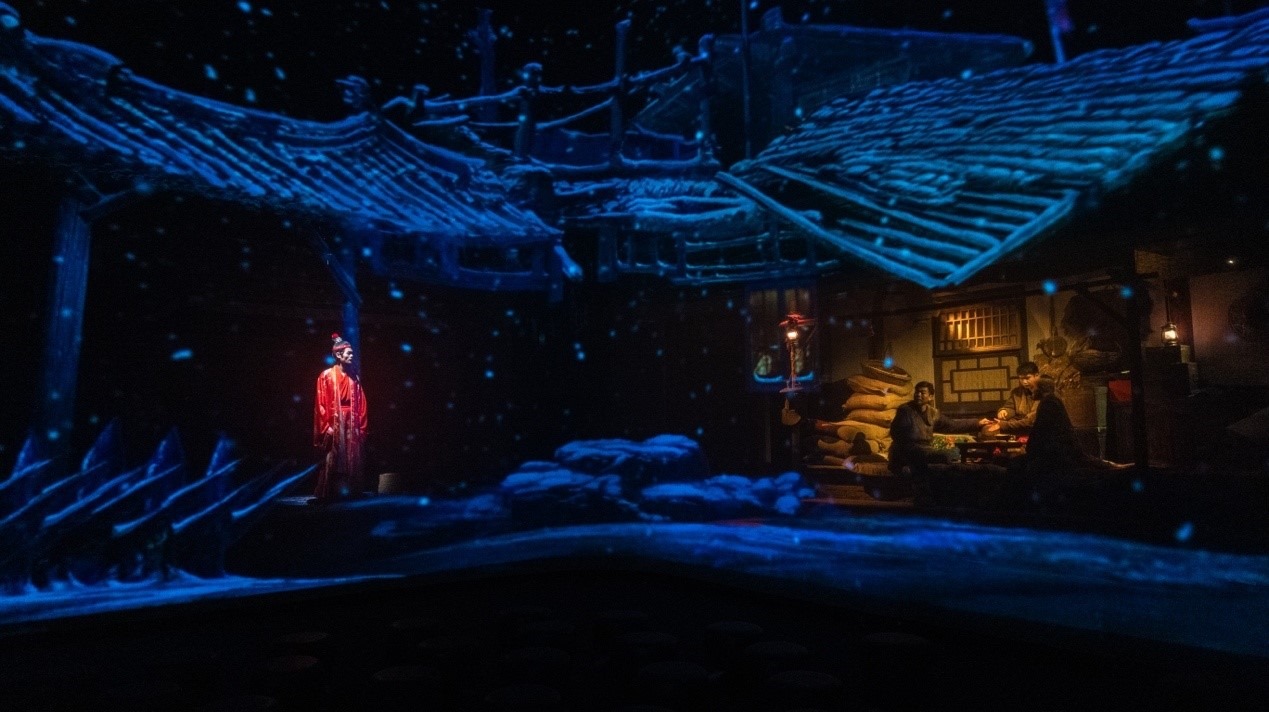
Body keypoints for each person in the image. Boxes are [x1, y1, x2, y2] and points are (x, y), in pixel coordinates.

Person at [888, 381, 982, 493]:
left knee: (949, 457)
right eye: (917, 392)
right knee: (938, 456)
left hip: (925, 450)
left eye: (923, 393)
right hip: (907, 450)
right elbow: (895, 433)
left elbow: (952, 425)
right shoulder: (905, 410)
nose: (918, 395)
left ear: (931, 397)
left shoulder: (933, 413)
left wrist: (977, 424)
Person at [313, 333, 369, 500]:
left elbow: (361, 403)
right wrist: (326, 426)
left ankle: (350, 492)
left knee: (351, 458)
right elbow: (321, 403)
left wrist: (360, 427)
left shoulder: (354, 378)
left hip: (351, 422)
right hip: (334, 421)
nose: (352, 356)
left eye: (352, 353)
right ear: (338, 355)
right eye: (348, 353)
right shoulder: (326, 376)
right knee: (334, 456)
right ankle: (330, 492)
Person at [979, 362, 1040, 437]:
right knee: (987, 429)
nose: (1024, 382)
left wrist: (1003, 425)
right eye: (1021, 378)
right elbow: (1010, 407)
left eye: (1027, 378)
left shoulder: (1043, 391)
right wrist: (1004, 411)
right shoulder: (1017, 392)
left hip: (1033, 425)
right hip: (1016, 422)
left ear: (1036, 375)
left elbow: (1031, 420)